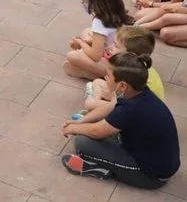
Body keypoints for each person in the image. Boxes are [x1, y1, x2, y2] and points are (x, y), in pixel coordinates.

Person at [61, 52, 179, 189]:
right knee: (93, 126)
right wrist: (82, 121)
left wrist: (72, 128)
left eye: (108, 76)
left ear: (123, 85)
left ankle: (101, 168)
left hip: (149, 176)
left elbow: (96, 132)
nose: (105, 77)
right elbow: (111, 107)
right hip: (157, 160)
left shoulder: (129, 109)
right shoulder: (139, 93)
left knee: (82, 142)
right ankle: (107, 163)